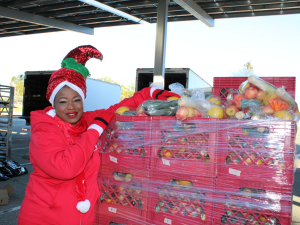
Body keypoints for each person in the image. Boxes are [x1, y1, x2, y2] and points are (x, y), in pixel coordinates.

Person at [17, 45, 180, 225]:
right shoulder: (44, 130)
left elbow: (116, 110)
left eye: (76, 100)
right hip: (44, 219)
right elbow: (65, 168)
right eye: (63, 101)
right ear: (53, 103)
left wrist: (151, 93)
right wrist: (94, 130)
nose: (71, 106)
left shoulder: (85, 121)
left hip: (81, 218)